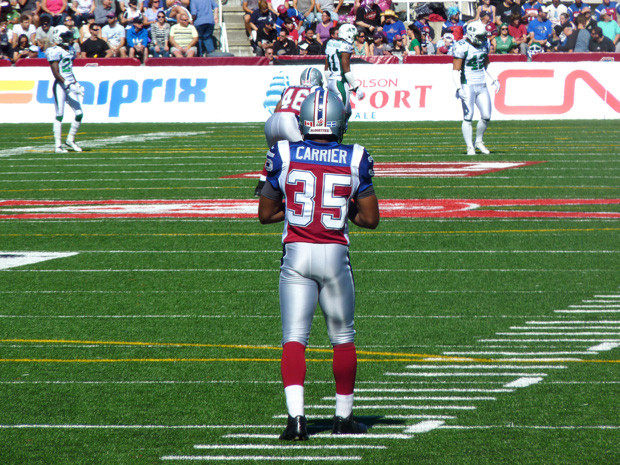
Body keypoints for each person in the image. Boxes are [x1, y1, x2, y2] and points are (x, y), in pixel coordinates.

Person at [258, 88, 379, 441]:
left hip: (296, 254)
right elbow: (370, 219)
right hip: (335, 254)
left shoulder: (282, 152)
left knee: (294, 339)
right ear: (341, 123)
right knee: (342, 338)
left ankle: (296, 420)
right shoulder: (356, 156)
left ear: (304, 120)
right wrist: (343, 206)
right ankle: (343, 418)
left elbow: (265, 214)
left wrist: (295, 208)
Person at [256, 67, 324, 195]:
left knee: (273, 153)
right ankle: (305, 186)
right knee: (305, 153)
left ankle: (261, 185)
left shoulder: (290, 88)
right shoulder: (316, 90)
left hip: (273, 119)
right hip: (290, 121)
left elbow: (278, 108)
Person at [452, 21, 499, 155]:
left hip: (481, 84)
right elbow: (455, 70)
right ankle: (469, 147)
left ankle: (478, 141)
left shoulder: (484, 43)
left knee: (486, 116)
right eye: (479, 36)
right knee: (468, 116)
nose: (482, 39)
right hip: (468, 84)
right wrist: (458, 88)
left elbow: (486, 64)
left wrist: (494, 78)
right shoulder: (462, 46)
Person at [46, 25, 84, 153]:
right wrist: (68, 84)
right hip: (61, 86)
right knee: (59, 115)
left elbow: (69, 70)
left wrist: (76, 83)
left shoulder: (70, 50)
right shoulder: (54, 51)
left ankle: (70, 140)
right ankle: (58, 146)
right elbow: (56, 73)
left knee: (79, 113)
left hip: (70, 84)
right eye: (65, 36)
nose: (69, 38)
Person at [325, 23, 365, 121]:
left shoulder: (330, 43)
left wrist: (328, 82)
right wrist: (356, 87)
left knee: (338, 113)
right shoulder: (345, 46)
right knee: (343, 114)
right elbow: (346, 70)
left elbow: (326, 69)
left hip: (331, 81)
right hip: (340, 83)